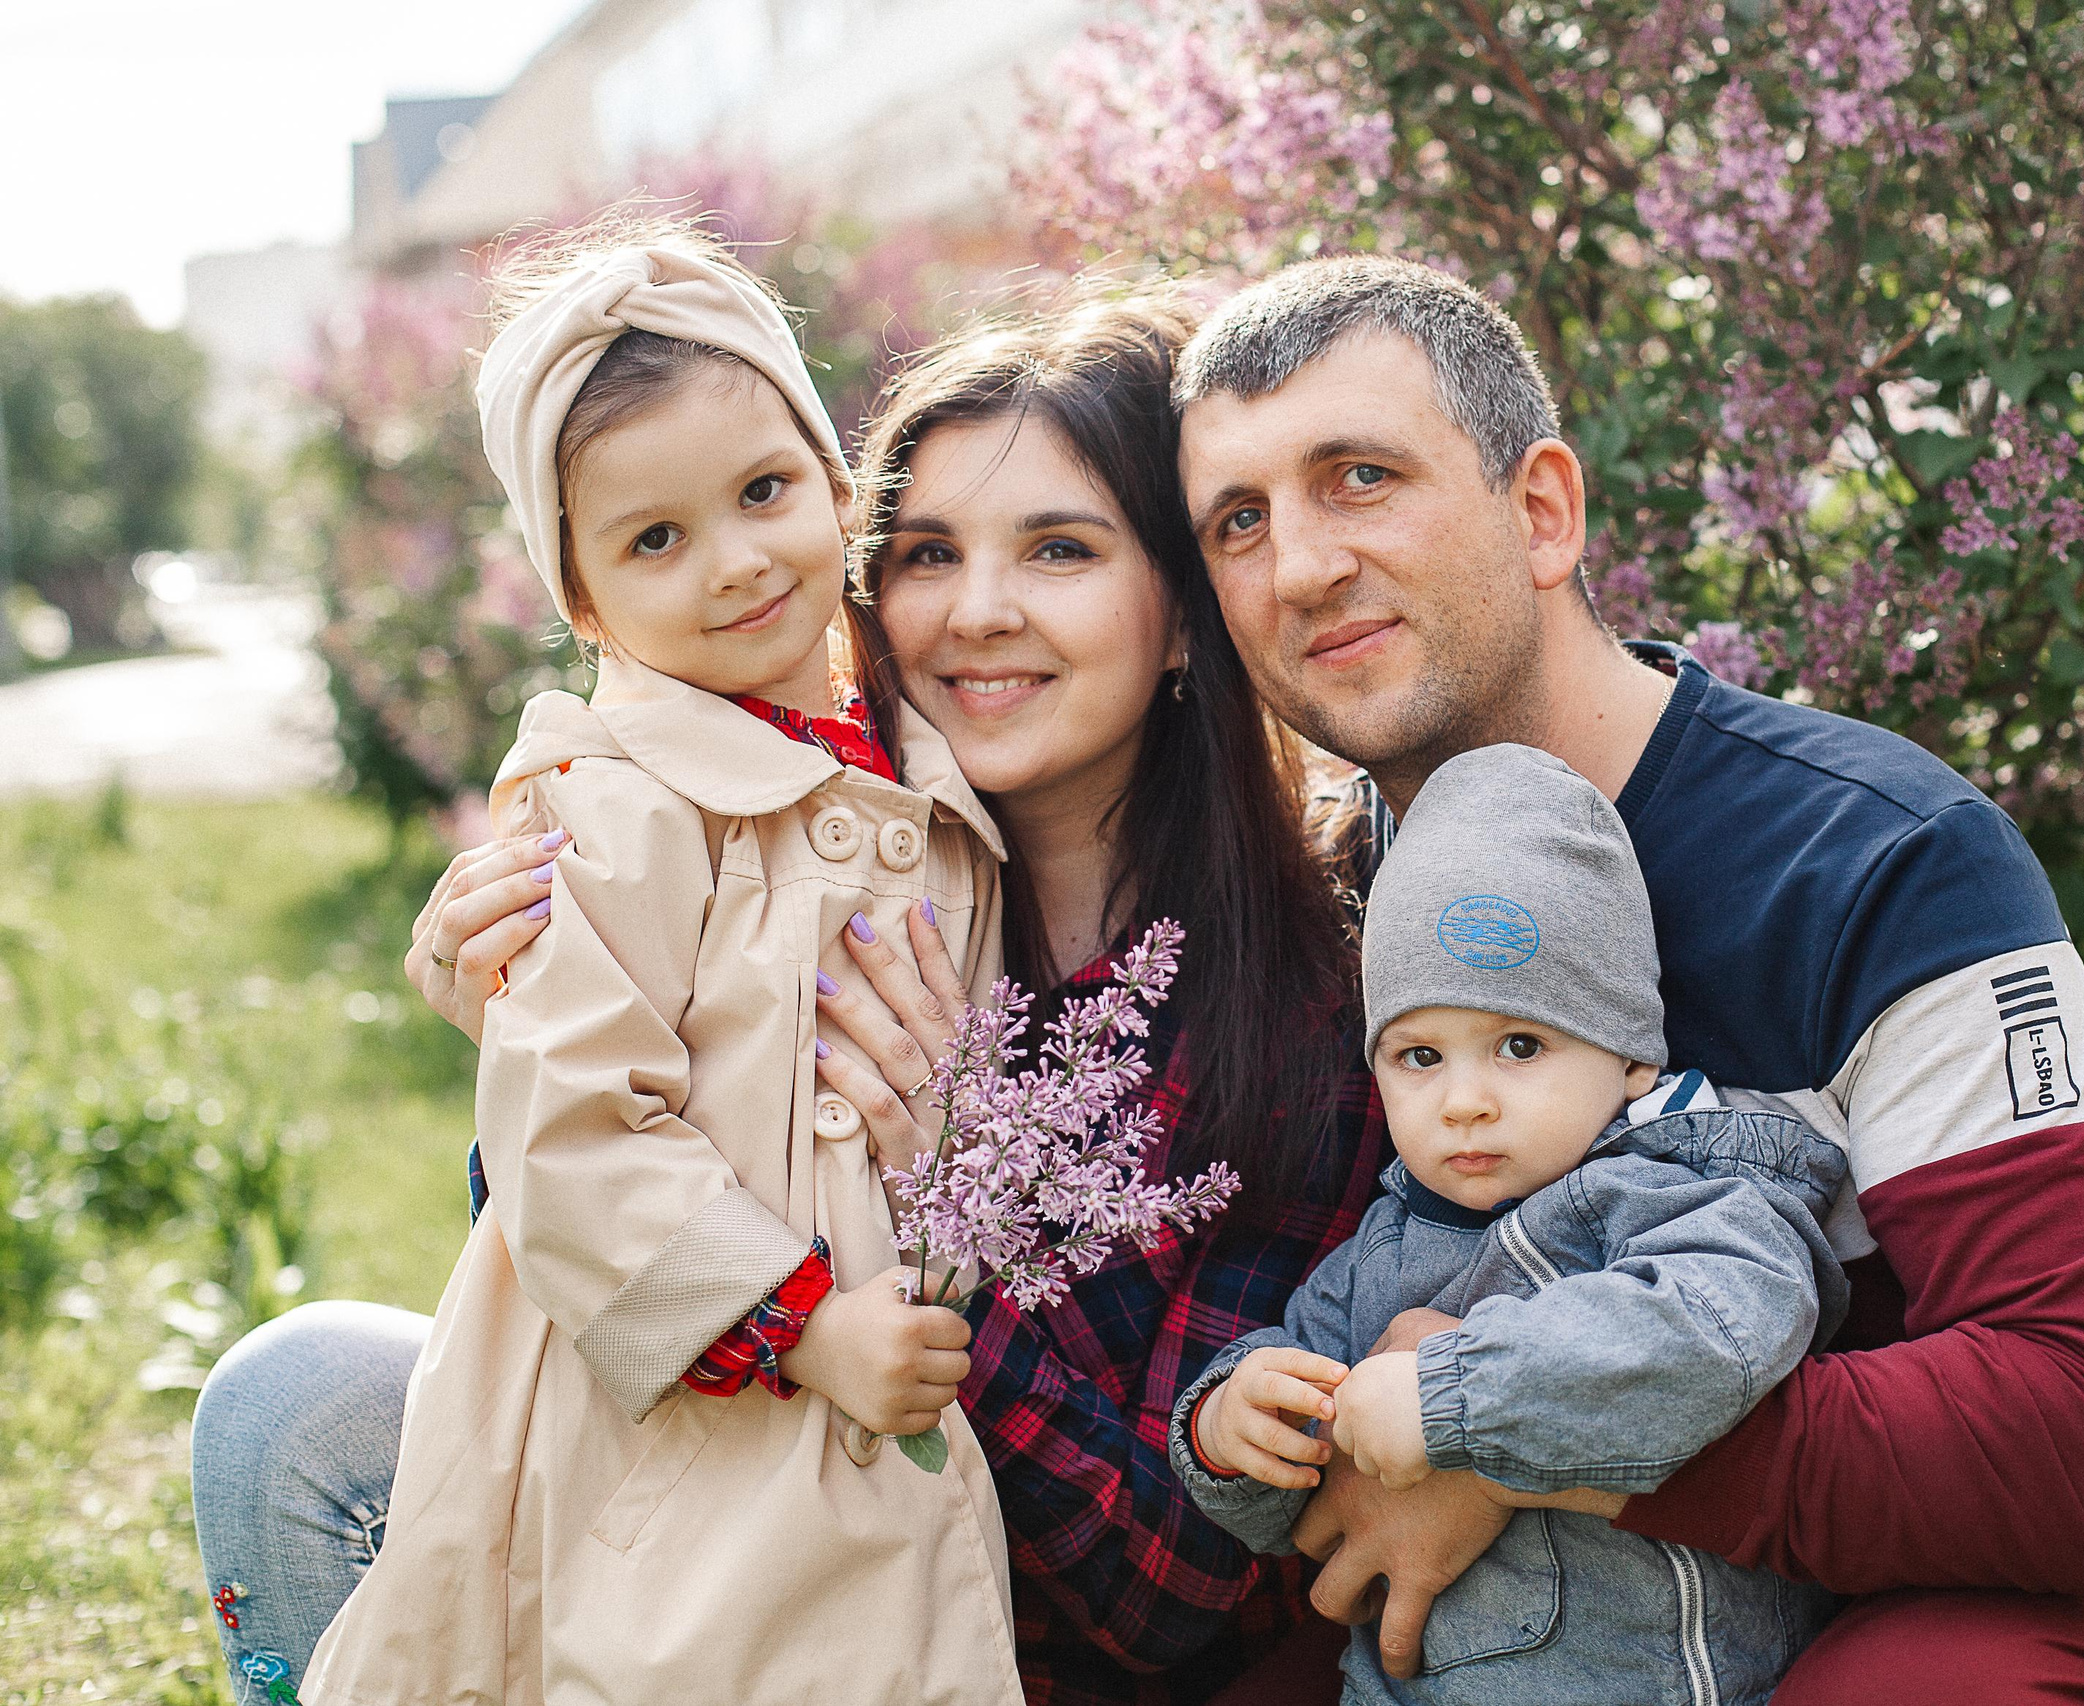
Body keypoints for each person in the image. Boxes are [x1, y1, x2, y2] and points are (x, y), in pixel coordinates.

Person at [192, 283, 1393, 1706]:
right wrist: (535, 1020)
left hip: (1007, 1659)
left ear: (1185, 618)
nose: (977, 611)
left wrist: (945, 1219)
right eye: (929, 552)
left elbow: (1174, 1587)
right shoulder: (801, 845)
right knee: (294, 1400)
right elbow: (588, 1281)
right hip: (717, 1566)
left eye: (1060, 549)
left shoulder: (1288, 1006)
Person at [1162, 254, 2084, 1705]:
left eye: (1363, 477)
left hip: (2019, 1583)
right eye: (1240, 522)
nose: (1302, 566)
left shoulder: (1880, 857)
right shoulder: (1332, 902)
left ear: (1541, 512)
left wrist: (1527, 1444)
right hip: (1588, 1620)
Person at [288, 218, 1023, 1705]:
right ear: (581, 600)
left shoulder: (914, 754)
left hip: (882, 1389)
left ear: (834, 480)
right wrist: (802, 1326)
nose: (737, 563)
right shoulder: (607, 808)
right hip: (683, 1407)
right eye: (655, 540)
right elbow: (570, 1129)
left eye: (764, 492)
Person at [1177, 742, 1848, 1706]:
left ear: (1628, 1062)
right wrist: (1228, 1428)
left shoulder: (1686, 1192)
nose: (1464, 1101)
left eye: (1519, 1046)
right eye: (1419, 1055)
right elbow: (1298, 1486)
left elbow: (1710, 1335)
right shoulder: (1380, 1255)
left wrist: (1453, 1399)